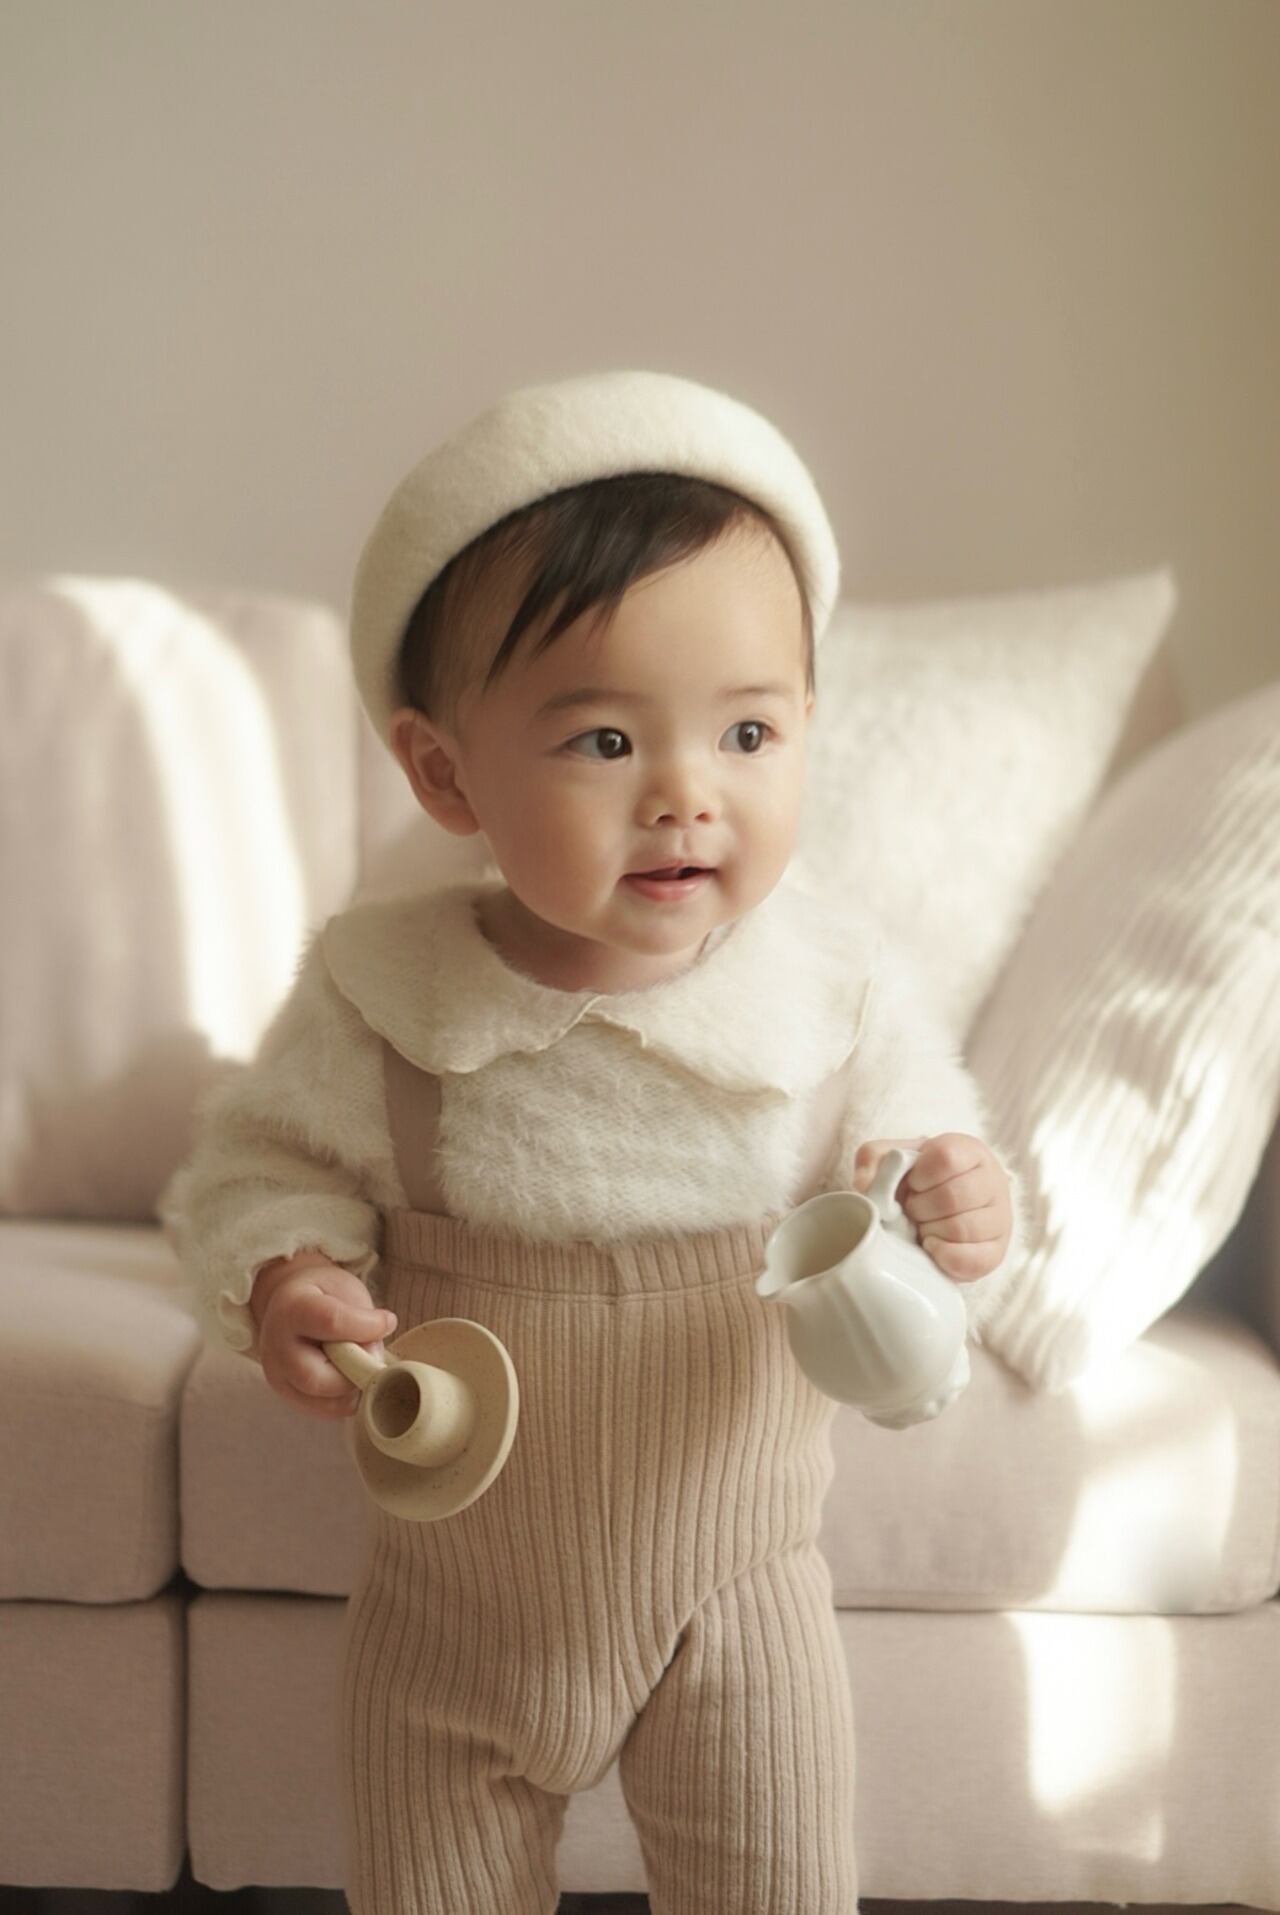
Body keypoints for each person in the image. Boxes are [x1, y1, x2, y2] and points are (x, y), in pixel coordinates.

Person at [161, 368, 1023, 1914]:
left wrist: (954, 1200)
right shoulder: (382, 986)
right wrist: (289, 1276)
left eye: (747, 731)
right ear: (446, 774)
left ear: (808, 729)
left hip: (739, 1596)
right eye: (607, 742)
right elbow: (260, 1167)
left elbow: (922, 1153)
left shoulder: (833, 983)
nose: (687, 794)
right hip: (451, 1615)